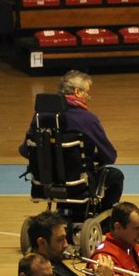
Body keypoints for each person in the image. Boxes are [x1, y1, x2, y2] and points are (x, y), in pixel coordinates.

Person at [29, 70, 123, 216]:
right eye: (87, 93)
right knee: (116, 176)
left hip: (45, 181)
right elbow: (110, 156)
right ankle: (104, 219)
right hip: (78, 183)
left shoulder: (39, 116)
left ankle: (63, 211)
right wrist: (94, 159)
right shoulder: (87, 119)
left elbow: (25, 149)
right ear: (77, 92)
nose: (88, 98)